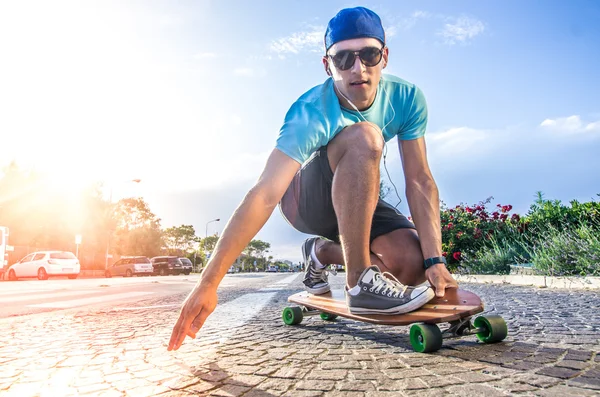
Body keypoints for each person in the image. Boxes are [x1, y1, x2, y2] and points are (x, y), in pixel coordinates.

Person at [168, 6, 458, 351]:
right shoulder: (309, 111)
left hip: (357, 193)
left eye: (369, 55)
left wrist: (435, 261)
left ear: (385, 57)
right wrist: (208, 282)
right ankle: (358, 284)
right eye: (343, 59)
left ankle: (321, 253)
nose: (358, 69)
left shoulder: (407, 99)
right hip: (304, 201)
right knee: (365, 137)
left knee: (410, 266)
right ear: (327, 65)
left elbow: (420, 181)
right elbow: (264, 194)